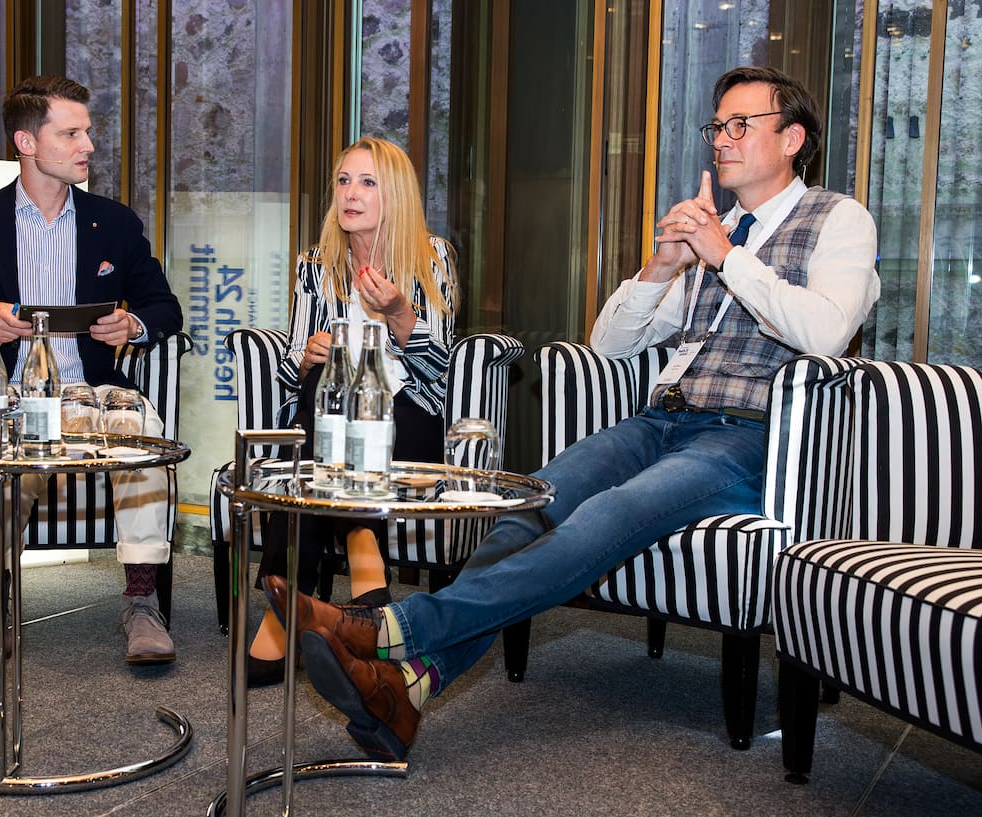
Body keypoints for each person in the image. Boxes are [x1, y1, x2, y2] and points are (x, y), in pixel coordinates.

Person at [264, 65, 881, 759]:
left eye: (741, 126)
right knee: (529, 505)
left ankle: (389, 629)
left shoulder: (837, 219)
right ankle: (410, 686)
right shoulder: (716, 232)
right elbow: (609, 342)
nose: (721, 141)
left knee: (607, 516)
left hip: (746, 436)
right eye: (716, 126)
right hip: (661, 420)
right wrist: (660, 267)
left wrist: (727, 256)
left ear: (792, 137)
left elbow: (826, 332)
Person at [0, 76, 184, 666]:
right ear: (27, 143)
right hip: (9, 389)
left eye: (87, 131)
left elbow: (164, 307)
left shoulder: (113, 222)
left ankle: (140, 604)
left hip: (94, 388)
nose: (88, 145)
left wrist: (132, 327)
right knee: (6, 464)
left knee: (144, 454)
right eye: (72, 133)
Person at [248, 137, 460, 687]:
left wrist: (398, 313)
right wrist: (308, 354)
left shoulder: (431, 256)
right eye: (343, 180)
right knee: (325, 375)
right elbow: (293, 365)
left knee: (321, 429)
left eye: (367, 182)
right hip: (331, 417)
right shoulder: (315, 266)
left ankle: (283, 609)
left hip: (407, 418)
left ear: (394, 194)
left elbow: (440, 369)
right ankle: (363, 550)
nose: (351, 193)